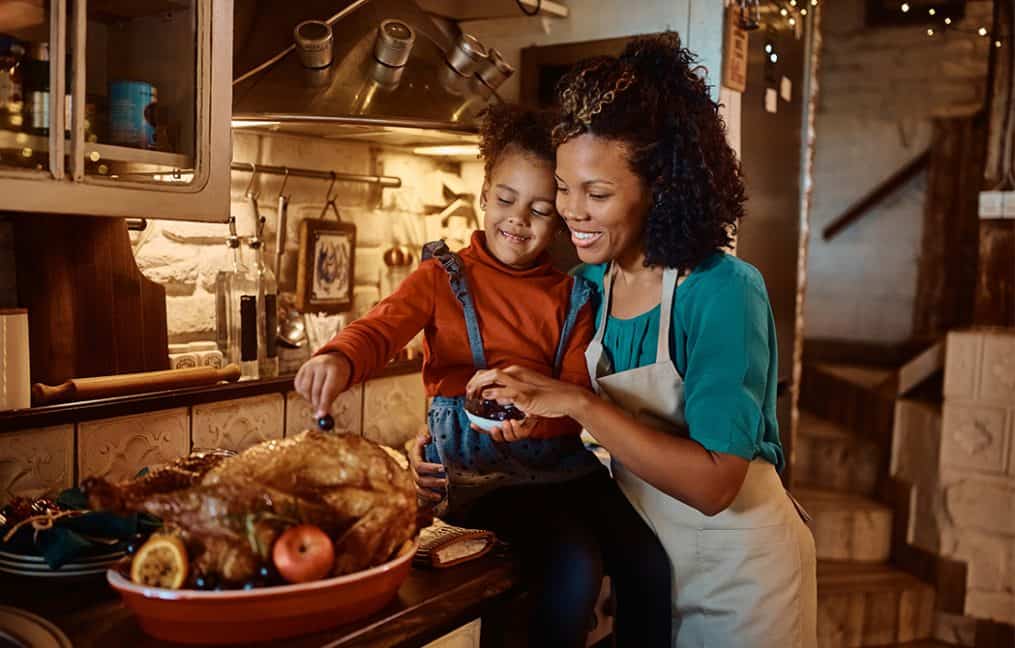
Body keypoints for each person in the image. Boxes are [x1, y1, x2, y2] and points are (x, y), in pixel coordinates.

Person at [462, 34, 818, 648]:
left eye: (596, 194)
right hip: (646, 570)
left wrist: (579, 405)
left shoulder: (723, 291)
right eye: (564, 187)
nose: (571, 211)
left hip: (742, 582)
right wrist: (479, 436)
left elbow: (714, 483)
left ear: (662, 186)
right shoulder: (585, 287)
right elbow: (562, 424)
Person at [296, 104, 671, 648]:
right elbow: (380, 328)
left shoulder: (575, 297)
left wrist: (535, 421)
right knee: (574, 567)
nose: (518, 219)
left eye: (541, 209)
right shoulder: (438, 279)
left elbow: (573, 401)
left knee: (648, 564)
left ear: (561, 216)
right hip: (482, 481)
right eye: (505, 199)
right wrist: (337, 357)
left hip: (566, 470)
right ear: (483, 196)